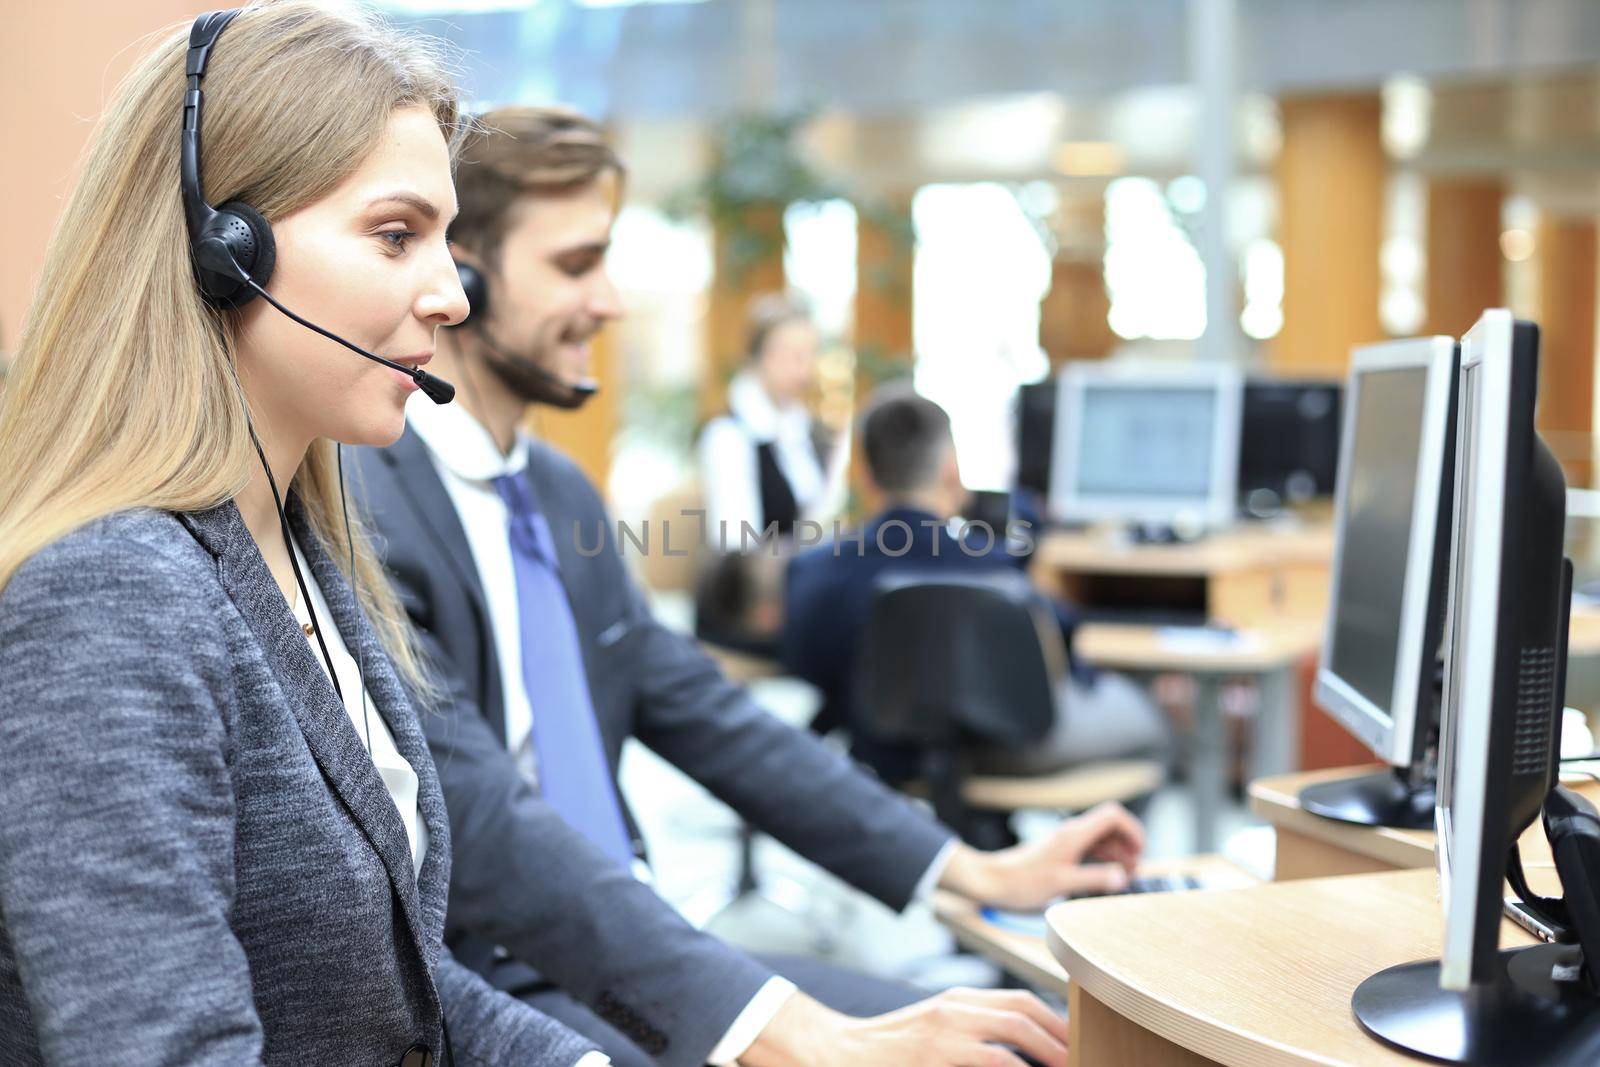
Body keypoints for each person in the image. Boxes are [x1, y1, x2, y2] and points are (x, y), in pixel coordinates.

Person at [351, 105, 1145, 1067]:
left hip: (633, 947)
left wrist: (960, 864)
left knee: (1020, 1043)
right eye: (575, 265)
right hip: (494, 983)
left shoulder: (558, 494)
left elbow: (709, 715)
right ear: (461, 273)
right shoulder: (367, 505)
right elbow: (481, 819)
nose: (608, 303)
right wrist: (788, 1032)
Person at [0, 6, 599, 1064]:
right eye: (395, 234)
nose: (450, 294)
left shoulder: (302, 554)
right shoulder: (109, 596)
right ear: (223, 250)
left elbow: (393, 985)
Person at [783, 383, 1172, 786]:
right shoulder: (991, 570)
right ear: (951, 470)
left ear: (865, 476)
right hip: (1001, 748)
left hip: (875, 750)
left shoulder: (813, 572)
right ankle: (1093, 842)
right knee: (1151, 724)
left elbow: (804, 663)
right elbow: (1063, 640)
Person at [697, 294, 846, 545]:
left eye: (810, 354)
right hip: (758, 579)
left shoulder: (806, 431)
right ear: (760, 356)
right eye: (794, 355)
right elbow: (736, 544)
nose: (805, 368)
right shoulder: (728, 436)